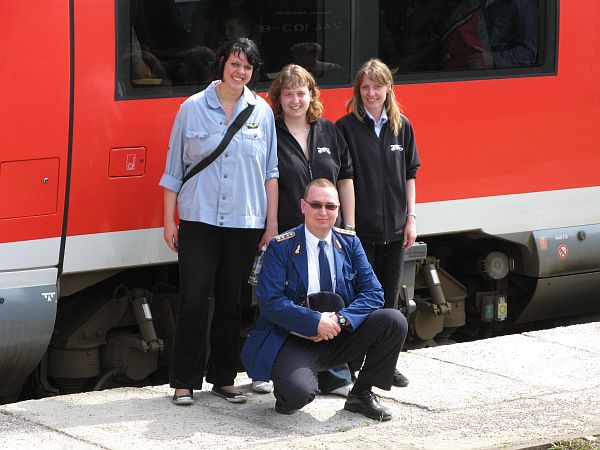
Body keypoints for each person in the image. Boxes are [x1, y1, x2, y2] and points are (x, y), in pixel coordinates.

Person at [159, 38, 279, 406]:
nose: (240, 71)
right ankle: (183, 381)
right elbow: (173, 171)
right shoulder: (191, 108)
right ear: (222, 63)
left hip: (245, 221)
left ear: (253, 72)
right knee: (194, 299)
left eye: (247, 66)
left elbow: (270, 171)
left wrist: (271, 223)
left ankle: (224, 378)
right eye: (234, 63)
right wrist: (169, 221)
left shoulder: (262, 112)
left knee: (231, 302)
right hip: (199, 218)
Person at [241, 179, 408, 421]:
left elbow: (374, 293)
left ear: (338, 209)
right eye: (316, 204)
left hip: (339, 333)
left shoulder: (349, 243)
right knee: (296, 395)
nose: (323, 212)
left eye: (330, 206)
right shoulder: (281, 247)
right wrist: (314, 321)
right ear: (303, 206)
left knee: (393, 320)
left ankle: (360, 394)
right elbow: (270, 302)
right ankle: (290, 385)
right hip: (296, 337)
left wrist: (340, 320)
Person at [252, 64, 355, 397]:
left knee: (328, 297)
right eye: (288, 93)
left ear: (312, 95)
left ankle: (336, 375)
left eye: (301, 92)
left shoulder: (329, 130)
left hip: (327, 231)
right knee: (277, 300)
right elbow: (266, 182)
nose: (295, 100)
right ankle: (263, 372)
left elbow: (345, 177)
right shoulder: (270, 132)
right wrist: (270, 228)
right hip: (285, 232)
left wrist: (348, 226)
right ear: (278, 99)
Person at [335, 59, 421, 388]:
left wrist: (411, 218)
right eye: (365, 87)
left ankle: (385, 365)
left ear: (388, 89)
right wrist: (350, 228)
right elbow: (346, 178)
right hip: (363, 232)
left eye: (377, 86)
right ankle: (352, 364)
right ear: (358, 91)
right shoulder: (345, 127)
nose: (371, 93)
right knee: (361, 299)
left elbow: (410, 175)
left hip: (396, 230)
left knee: (389, 301)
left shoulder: (403, 127)